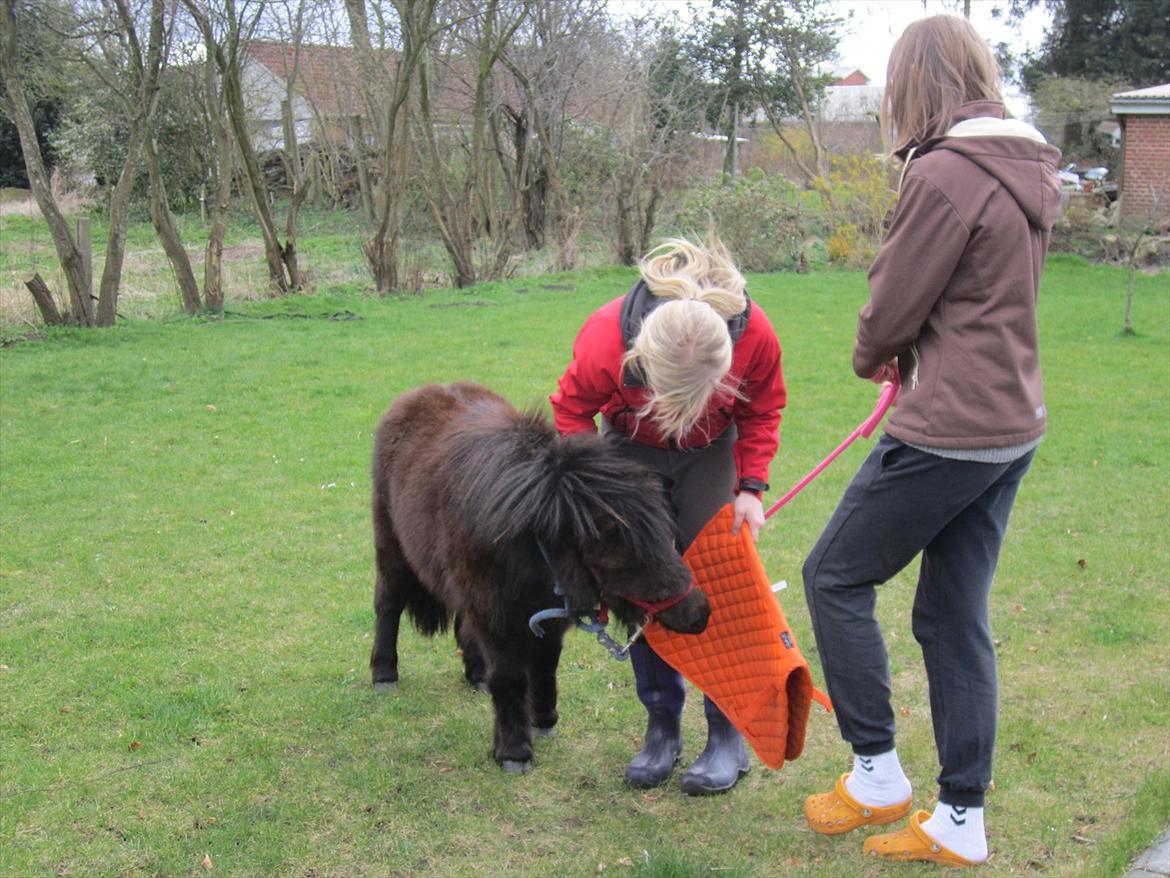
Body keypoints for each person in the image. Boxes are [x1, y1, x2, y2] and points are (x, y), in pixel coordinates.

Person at [800, 14, 1062, 867]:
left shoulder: (946, 172)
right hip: (1010, 425)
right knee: (952, 615)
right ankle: (962, 822)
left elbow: (895, 300)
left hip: (949, 430)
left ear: (917, 85)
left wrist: (874, 354)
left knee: (832, 575)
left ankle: (877, 773)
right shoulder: (1025, 166)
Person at [549, 237, 786, 795]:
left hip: (712, 453)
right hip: (629, 451)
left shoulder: (757, 336)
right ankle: (662, 724)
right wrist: (596, 490)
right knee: (647, 575)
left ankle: (727, 729)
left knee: (717, 574)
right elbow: (571, 411)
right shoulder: (606, 335)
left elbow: (763, 410)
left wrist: (750, 487)